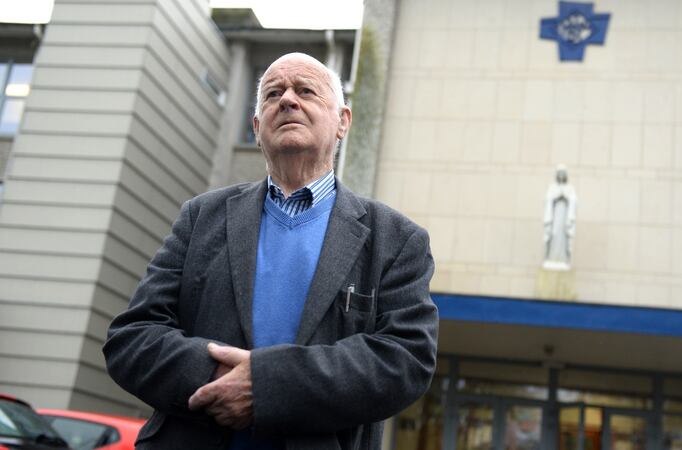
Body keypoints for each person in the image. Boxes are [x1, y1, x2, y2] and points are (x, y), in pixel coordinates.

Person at [103, 52, 438, 450]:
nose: (288, 100)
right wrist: (219, 379)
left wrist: (268, 386)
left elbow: (405, 359)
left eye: (306, 90)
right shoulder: (201, 217)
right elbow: (132, 338)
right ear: (258, 126)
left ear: (343, 122)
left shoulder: (396, 240)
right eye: (273, 93)